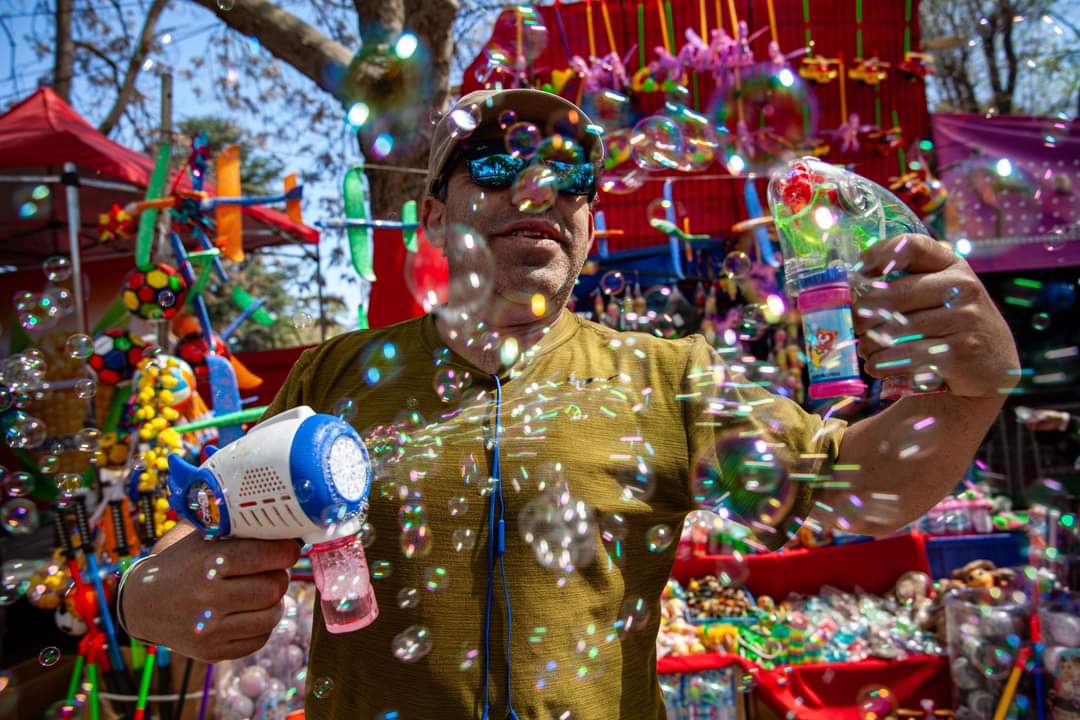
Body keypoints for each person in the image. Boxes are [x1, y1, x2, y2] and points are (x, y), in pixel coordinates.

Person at [119, 88, 1020, 719]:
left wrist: (975, 389)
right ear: (432, 221)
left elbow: (862, 483)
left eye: (570, 172)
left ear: (590, 227)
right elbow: (211, 516)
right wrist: (141, 590)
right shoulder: (338, 374)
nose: (540, 187)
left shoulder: (674, 375)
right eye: (498, 161)